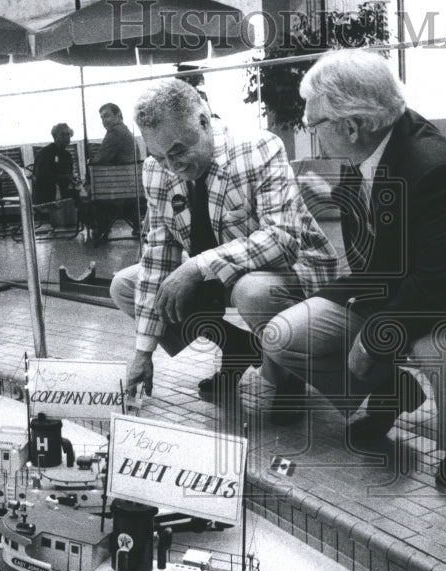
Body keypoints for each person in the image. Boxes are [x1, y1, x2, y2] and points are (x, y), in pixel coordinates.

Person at [253, 49, 446, 487]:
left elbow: (438, 284)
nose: (311, 134)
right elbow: (380, 247)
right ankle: (391, 392)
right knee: (282, 336)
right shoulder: (369, 149)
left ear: (351, 125)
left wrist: (374, 339)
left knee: (440, 350)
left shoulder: (432, 167)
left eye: (313, 125)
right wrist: (336, 201)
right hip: (400, 284)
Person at [110, 78, 338, 403]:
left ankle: (289, 376)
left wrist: (196, 267)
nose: (173, 167)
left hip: (293, 268)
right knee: (125, 285)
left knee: (252, 290)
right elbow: (157, 259)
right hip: (221, 272)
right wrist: (143, 352)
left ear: (204, 122)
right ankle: (238, 348)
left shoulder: (258, 147)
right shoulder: (155, 171)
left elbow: (281, 239)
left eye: (177, 151)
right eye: (160, 157)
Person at [32, 123, 78, 204]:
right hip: (48, 198)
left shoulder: (67, 155)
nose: (66, 137)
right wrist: (65, 178)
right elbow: (42, 177)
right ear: (55, 136)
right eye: (62, 135)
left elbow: (70, 175)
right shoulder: (45, 153)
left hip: (64, 195)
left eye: (68, 134)